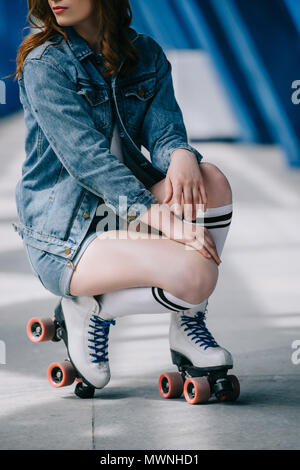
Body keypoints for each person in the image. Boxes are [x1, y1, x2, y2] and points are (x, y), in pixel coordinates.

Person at [13, 0, 234, 392]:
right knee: (198, 275)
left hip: (124, 212)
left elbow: (163, 132)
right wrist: (167, 223)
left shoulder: (145, 53)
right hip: (69, 232)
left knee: (211, 179)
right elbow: (89, 163)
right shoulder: (45, 64)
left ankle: (187, 324)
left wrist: (181, 154)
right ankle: (85, 307)